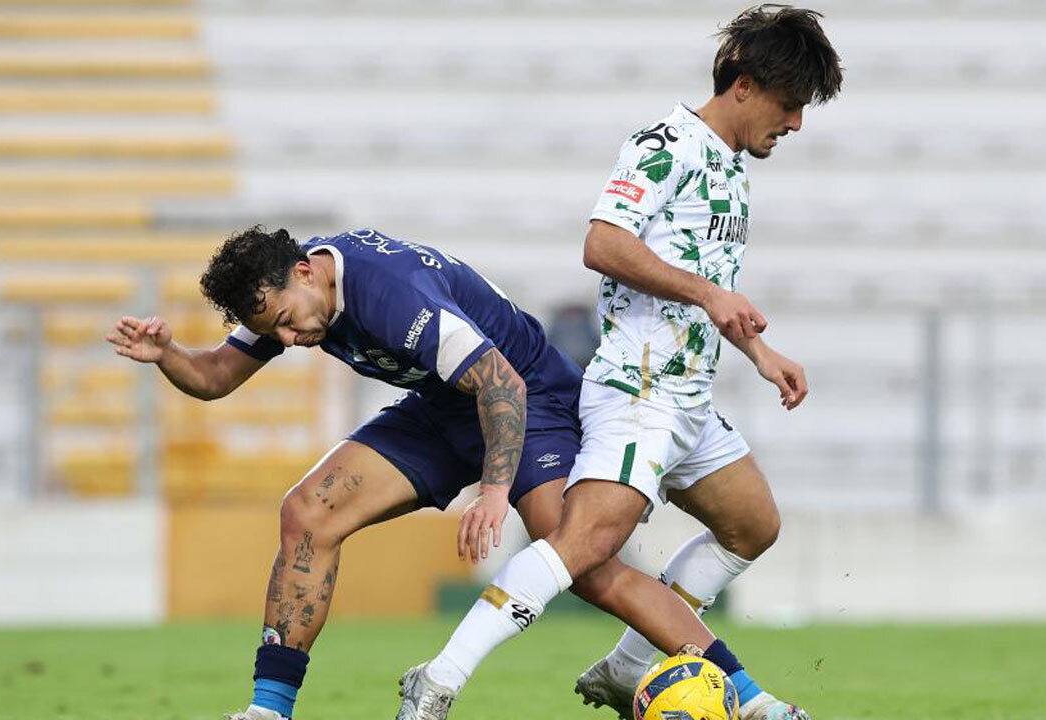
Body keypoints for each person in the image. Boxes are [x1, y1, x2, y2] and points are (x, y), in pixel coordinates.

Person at [108, 227, 759, 720]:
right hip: (443, 410)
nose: (286, 341)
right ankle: (268, 710)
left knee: (580, 563)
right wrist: (167, 354)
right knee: (307, 512)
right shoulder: (289, 294)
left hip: (528, 401)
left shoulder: (389, 295)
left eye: (283, 323)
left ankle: (749, 697)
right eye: (270, 331)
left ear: (307, 273)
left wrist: (495, 490)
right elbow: (217, 377)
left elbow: (499, 382)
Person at [397, 6, 842, 720]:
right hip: (638, 389)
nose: (794, 124)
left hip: (688, 396)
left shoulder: (731, 165)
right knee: (582, 546)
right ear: (745, 86)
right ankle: (439, 679)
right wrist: (708, 294)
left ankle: (625, 667)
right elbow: (603, 243)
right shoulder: (666, 144)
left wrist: (758, 350)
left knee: (753, 523)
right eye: (789, 105)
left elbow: (707, 285)